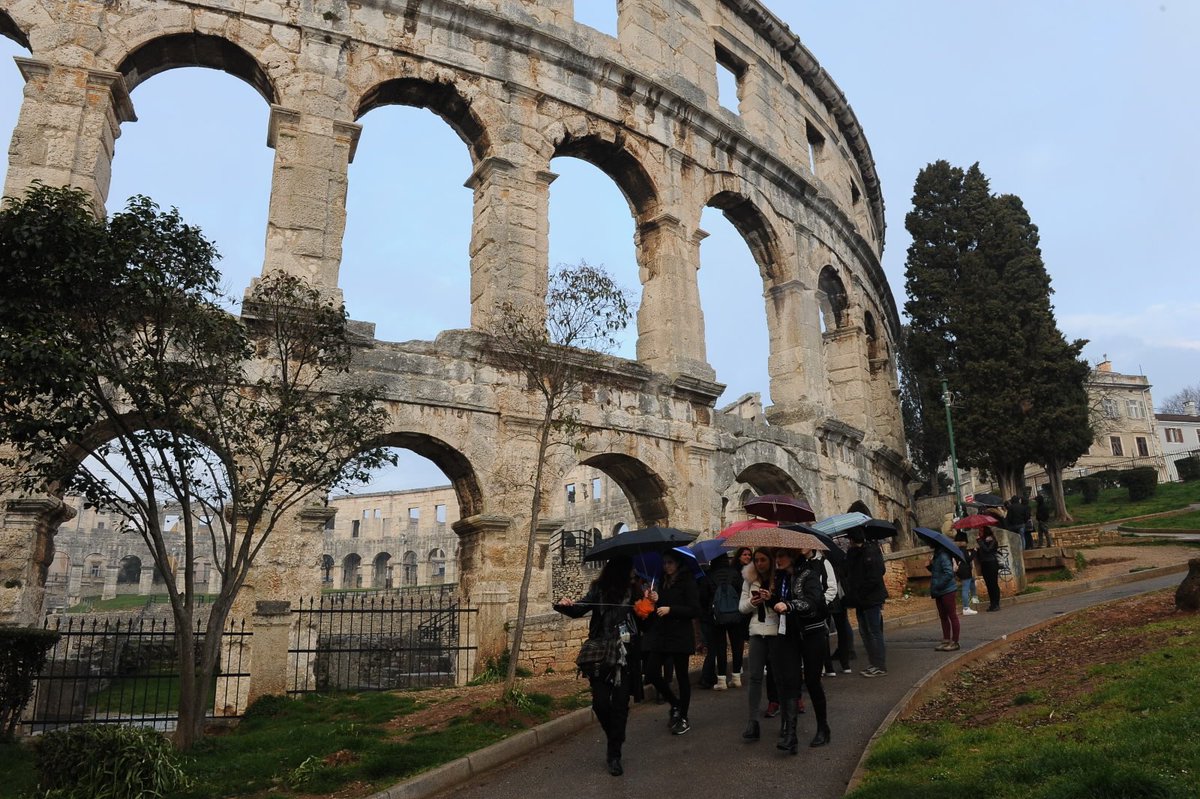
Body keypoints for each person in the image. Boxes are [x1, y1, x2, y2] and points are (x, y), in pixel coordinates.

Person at [553, 556, 643, 776]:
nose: (634, 573)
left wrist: (650, 604)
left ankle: (614, 755)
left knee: (620, 704)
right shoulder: (598, 590)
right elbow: (579, 609)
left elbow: (646, 622)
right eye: (630, 569)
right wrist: (564, 605)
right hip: (600, 653)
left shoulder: (636, 592)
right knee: (600, 703)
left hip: (625, 654)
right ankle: (615, 735)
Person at [771, 548, 831, 752]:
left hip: (812, 634)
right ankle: (790, 735)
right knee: (790, 681)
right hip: (790, 635)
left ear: (793, 556)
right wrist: (770, 598)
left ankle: (823, 728)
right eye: (776, 556)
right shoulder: (781, 579)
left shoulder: (809, 574)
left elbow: (814, 602)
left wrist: (790, 605)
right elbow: (780, 604)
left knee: (813, 681)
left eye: (781, 555)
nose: (777, 559)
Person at [642, 549, 700, 735]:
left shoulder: (688, 581)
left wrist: (670, 609)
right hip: (663, 634)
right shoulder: (662, 581)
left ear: (678, 564)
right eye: (664, 562)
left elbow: (693, 609)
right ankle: (675, 703)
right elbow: (661, 607)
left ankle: (683, 716)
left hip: (680, 634)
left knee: (682, 676)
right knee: (651, 672)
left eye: (670, 563)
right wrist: (655, 600)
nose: (666, 566)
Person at [738, 547, 778, 741]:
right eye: (757, 560)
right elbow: (742, 608)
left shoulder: (778, 578)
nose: (760, 564)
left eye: (763, 560)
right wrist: (753, 602)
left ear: (770, 560)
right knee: (754, 677)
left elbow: (785, 604)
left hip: (777, 632)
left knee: (779, 674)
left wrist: (771, 599)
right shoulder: (749, 580)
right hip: (757, 631)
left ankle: (787, 718)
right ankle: (752, 721)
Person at [842, 528, 888, 677]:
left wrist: (859, 591)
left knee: (874, 632)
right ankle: (873, 663)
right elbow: (849, 572)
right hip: (860, 599)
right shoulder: (853, 554)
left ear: (852, 539)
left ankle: (879, 665)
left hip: (871, 598)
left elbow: (876, 575)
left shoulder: (871, 552)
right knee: (864, 632)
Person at [699, 553, 743, 689]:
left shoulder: (709, 575)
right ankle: (736, 677)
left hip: (717, 616)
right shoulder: (735, 573)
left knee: (720, 647)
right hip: (735, 614)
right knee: (737, 646)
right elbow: (741, 591)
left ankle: (722, 680)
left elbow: (703, 597)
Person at [929, 545, 961, 651]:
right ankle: (946, 639)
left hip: (947, 590)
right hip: (939, 591)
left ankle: (955, 642)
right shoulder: (936, 556)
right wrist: (929, 566)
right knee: (943, 616)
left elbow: (949, 573)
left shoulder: (943, 556)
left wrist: (938, 585)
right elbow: (937, 573)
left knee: (952, 615)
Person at [977, 526, 1002, 612]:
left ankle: (996, 603)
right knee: (988, 584)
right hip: (985, 564)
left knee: (993, 584)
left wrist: (980, 542)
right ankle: (992, 603)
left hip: (991, 563)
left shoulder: (992, 540)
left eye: (981, 530)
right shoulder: (983, 541)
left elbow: (988, 550)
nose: (979, 532)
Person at [955, 531, 978, 615]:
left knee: (972, 581)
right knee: (965, 589)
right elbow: (968, 559)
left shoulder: (956, 550)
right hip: (965, 571)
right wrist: (974, 552)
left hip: (962, 571)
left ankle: (975, 599)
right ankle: (966, 608)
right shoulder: (963, 550)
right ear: (963, 541)